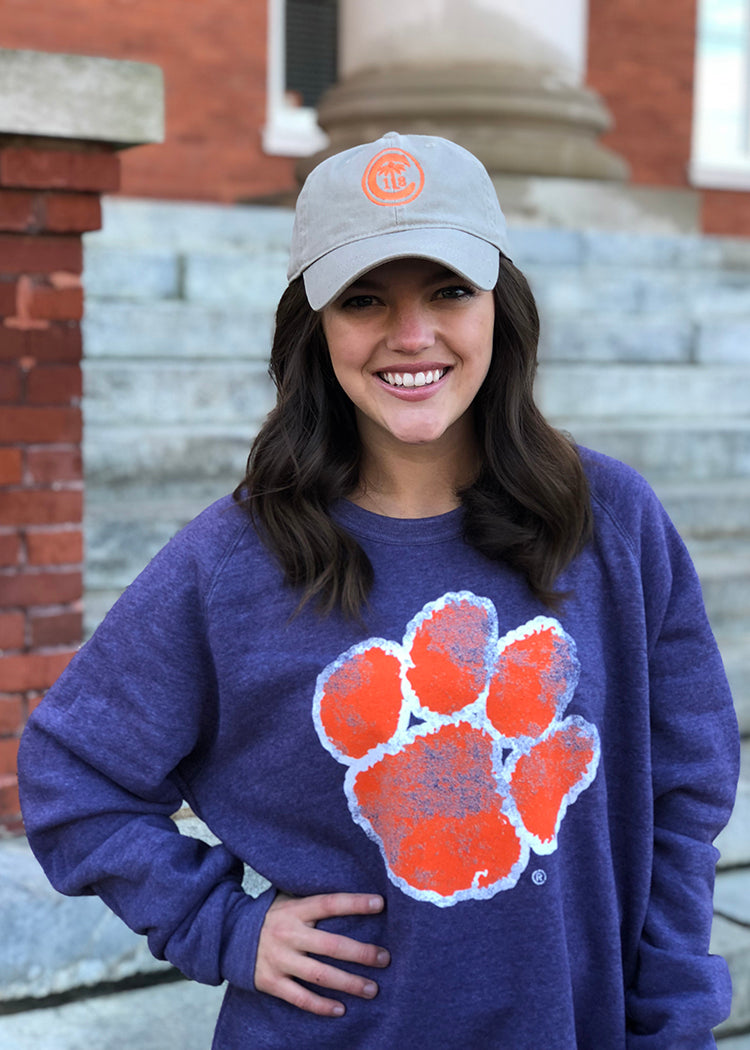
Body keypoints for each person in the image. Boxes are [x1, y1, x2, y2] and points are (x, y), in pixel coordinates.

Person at [18, 131, 739, 1050]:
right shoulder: (232, 561)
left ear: (499, 307)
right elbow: (70, 772)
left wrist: (673, 1024)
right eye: (364, 299)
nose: (412, 335)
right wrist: (224, 928)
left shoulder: (614, 526)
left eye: (448, 291)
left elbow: (685, 797)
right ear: (314, 328)